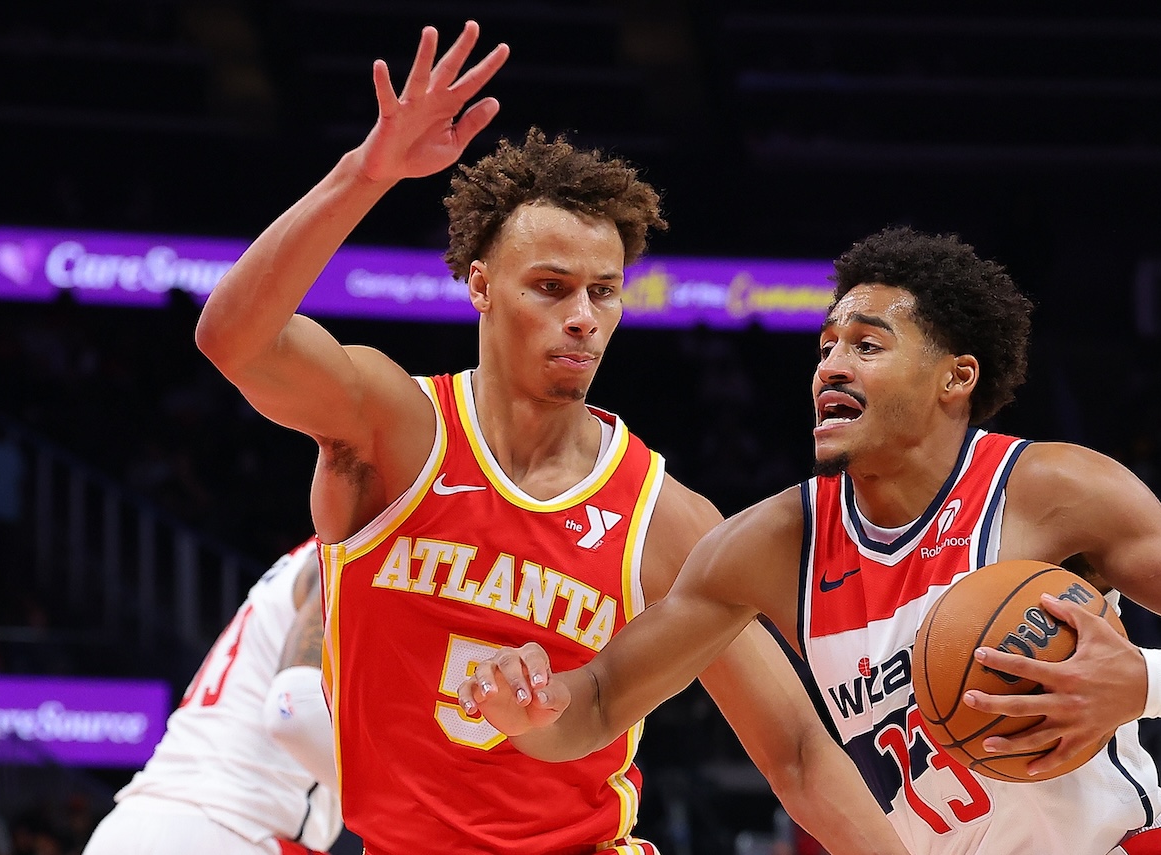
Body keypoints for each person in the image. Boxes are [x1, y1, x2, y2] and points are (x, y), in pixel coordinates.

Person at [194, 21, 906, 855]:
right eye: (551, 286)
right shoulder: (391, 429)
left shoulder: (664, 517)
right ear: (481, 286)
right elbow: (232, 340)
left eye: (603, 292)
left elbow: (796, 750)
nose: (582, 317)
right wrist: (368, 171)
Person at [464, 227, 1161, 855]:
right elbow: (605, 699)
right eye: (826, 346)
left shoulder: (1051, 491)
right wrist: (532, 709)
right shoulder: (768, 544)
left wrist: (1147, 678)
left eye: (867, 345)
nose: (831, 365)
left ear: (957, 376)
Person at [84, 539, 341, 855]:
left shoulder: (310, 557)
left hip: (130, 825)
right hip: (235, 828)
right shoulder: (348, 554)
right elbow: (293, 712)